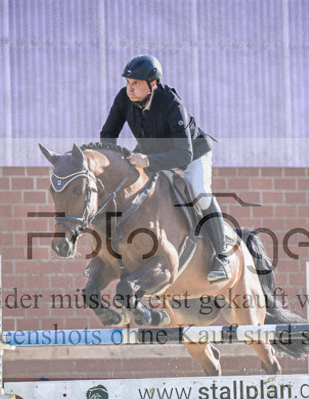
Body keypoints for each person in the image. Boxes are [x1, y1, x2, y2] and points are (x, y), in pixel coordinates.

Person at [99, 54, 232, 283]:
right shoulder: (124, 98)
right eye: (128, 82)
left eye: (136, 83)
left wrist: (148, 161)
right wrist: (111, 166)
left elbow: (184, 154)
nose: (130, 88)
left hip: (191, 153)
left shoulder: (170, 102)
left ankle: (222, 256)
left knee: (199, 193)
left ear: (153, 84)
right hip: (152, 151)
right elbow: (108, 134)